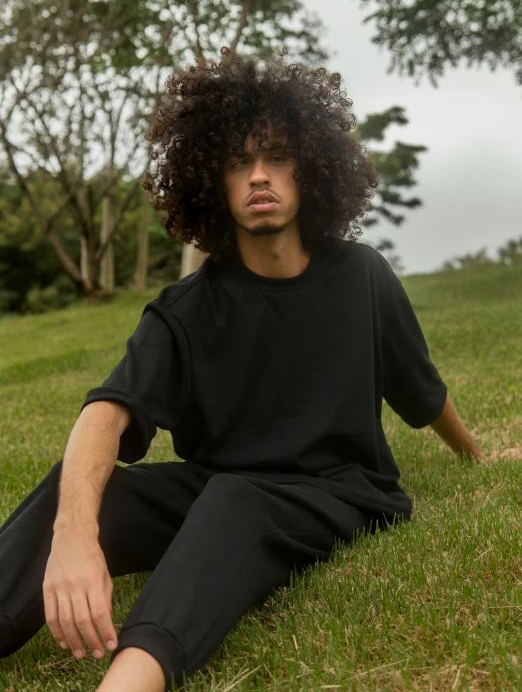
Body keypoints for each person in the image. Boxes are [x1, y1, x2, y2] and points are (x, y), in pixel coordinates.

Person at [0, 47, 486, 692]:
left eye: (277, 157)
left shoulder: (361, 275)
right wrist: (73, 537)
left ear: (309, 171)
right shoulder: (186, 309)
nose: (260, 176)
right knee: (87, 487)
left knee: (237, 498)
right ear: (212, 183)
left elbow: (421, 392)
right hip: (217, 488)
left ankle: (129, 683)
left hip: (339, 492)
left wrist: (476, 459)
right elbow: (105, 414)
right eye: (237, 163)